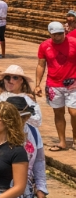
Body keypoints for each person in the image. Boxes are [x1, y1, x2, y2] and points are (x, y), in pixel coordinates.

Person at [35, 21, 76, 151]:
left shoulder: (73, 43)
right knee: (58, 112)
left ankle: (75, 138)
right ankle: (62, 141)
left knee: (74, 112)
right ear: (50, 34)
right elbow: (41, 65)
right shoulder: (44, 46)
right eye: (55, 35)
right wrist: (37, 84)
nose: (58, 37)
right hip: (53, 84)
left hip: (73, 82)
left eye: (60, 34)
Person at [5, 97, 47, 198]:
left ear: (27, 117)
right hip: (2, 188)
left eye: (23, 117)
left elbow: (39, 161)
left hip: (26, 189)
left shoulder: (34, 132)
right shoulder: (0, 133)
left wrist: (41, 188)